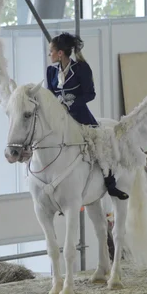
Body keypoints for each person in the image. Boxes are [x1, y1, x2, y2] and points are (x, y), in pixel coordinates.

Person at [47, 32, 128, 200]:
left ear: (60, 53)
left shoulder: (81, 69)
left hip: (80, 116)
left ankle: (110, 182)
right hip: (59, 118)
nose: (50, 55)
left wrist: (71, 103)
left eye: (51, 51)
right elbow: (50, 94)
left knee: (97, 144)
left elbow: (90, 94)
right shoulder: (50, 71)